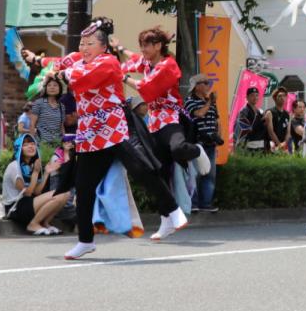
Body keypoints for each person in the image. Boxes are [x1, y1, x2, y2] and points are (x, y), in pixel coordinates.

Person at [22, 17, 190, 259]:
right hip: (90, 132)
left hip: (113, 127)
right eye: (81, 44)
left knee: (141, 169)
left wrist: (57, 75)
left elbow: (79, 77)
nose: (83, 48)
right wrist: (37, 60)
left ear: (102, 46)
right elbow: (58, 62)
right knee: (84, 186)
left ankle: (173, 211)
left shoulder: (108, 63)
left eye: (89, 43)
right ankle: (85, 241)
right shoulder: (79, 60)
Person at [117, 27, 211, 228]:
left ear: (158, 46)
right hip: (154, 123)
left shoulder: (168, 66)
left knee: (178, 148)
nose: (142, 50)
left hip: (171, 118)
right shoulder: (149, 61)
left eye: (146, 46)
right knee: (157, 173)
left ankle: (196, 150)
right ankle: (166, 219)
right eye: (141, 46)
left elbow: (147, 89)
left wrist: (122, 76)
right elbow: (134, 59)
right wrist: (121, 50)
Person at [2, 133, 58, 235]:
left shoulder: (31, 166)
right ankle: (34, 224)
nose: (31, 146)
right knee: (57, 194)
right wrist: (35, 173)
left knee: (63, 194)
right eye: (26, 144)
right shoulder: (14, 166)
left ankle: (45, 223)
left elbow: (37, 191)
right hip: (15, 208)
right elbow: (27, 193)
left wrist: (46, 173)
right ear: (19, 149)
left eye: (33, 144)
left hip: (28, 204)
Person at [183, 74, 222, 212]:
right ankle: (193, 203)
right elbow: (199, 114)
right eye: (205, 83)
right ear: (197, 86)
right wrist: (210, 102)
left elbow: (216, 120)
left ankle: (206, 203)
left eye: (208, 82)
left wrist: (218, 136)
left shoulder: (209, 101)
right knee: (194, 174)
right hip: (197, 142)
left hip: (210, 142)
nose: (208, 86)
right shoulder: (189, 100)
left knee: (209, 174)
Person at [31, 74, 68, 145]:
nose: (52, 87)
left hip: (57, 144)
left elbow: (61, 126)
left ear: (60, 88)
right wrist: (32, 143)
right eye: (49, 85)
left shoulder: (61, 106)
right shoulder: (39, 103)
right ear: (46, 88)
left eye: (55, 85)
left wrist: (65, 140)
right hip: (41, 143)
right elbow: (32, 124)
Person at [236, 87, 269, 151]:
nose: (255, 97)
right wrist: (261, 121)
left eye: (257, 95)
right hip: (248, 145)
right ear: (247, 97)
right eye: (252, 95)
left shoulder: (260, 111)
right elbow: (245, 129)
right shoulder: (244, 111)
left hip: (261, 145)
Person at [266, 87, 293, 152]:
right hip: (271, 145)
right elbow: (271, 132)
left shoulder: (288, 114)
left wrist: (284, 143)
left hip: (284, 146)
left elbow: (288, 132)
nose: (282, 98)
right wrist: (279, 144)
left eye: (284, 96)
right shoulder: (269, 112)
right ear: (275, 98)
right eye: (280, 96)